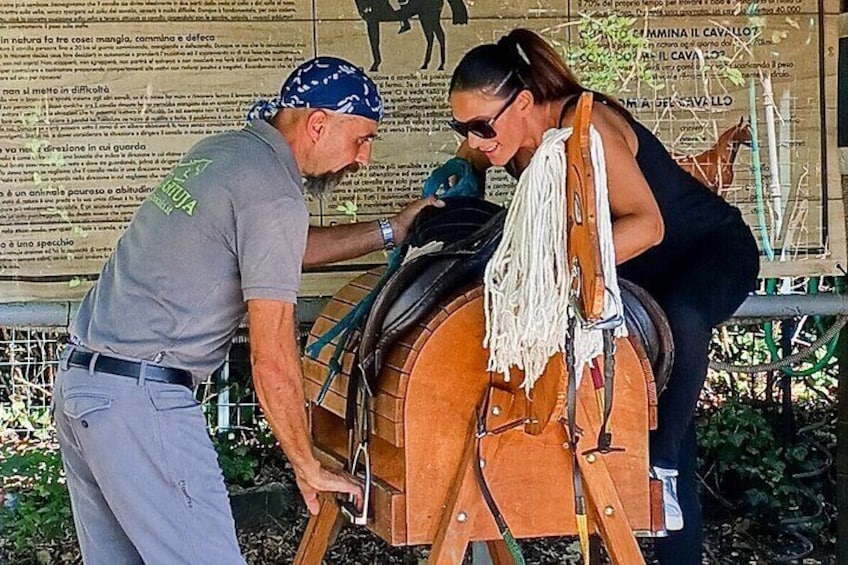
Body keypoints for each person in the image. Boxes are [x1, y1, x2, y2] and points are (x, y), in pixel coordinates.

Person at [52, 56, 439, 564]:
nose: (362, 158)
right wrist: (307, 464)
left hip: (85, 389)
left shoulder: (224, 155)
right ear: (318, 124)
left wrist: (391, 230)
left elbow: (279, 249)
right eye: (361, 138)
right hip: (141, 405)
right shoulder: (273, 195)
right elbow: (272, 356)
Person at [433, 29, 759, 564]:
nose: (472, 140)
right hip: (634, 268)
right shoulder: (510, 137)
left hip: (706, 251)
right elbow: (476, 158)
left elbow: (648, 226)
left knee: (683, 323)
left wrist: (551, 270)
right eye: (461, 127)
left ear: (522, 103)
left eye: (480, 128)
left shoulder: (586, 128)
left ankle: (664, 469)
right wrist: (462, 178)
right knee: (660, 414)